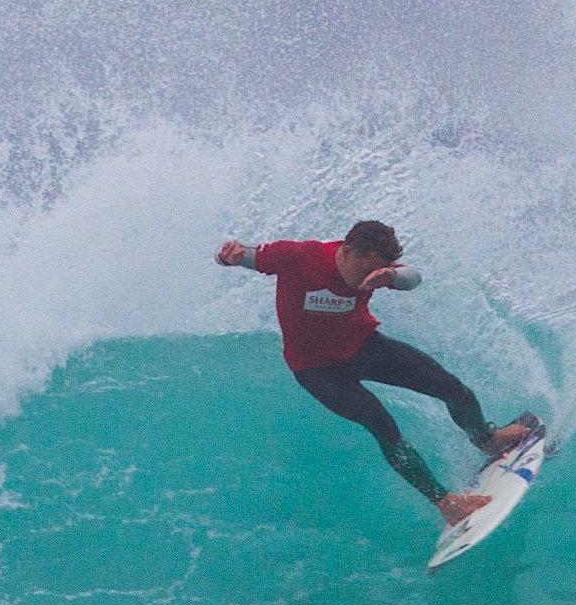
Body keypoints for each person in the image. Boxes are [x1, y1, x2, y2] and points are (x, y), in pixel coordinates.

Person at [216, 220, 535, 526]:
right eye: (366, 269)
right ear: (348, 250)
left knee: (454, 389)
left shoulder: (377, 270)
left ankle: (487, 439)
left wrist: (389, 277)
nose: (369, 278)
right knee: (382, 425)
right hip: (317, 370)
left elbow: (412, 277)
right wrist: (229, 255)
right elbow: (245, 254)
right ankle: (447, 504)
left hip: (364, 347)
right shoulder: (300, 256)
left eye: (377, 271)